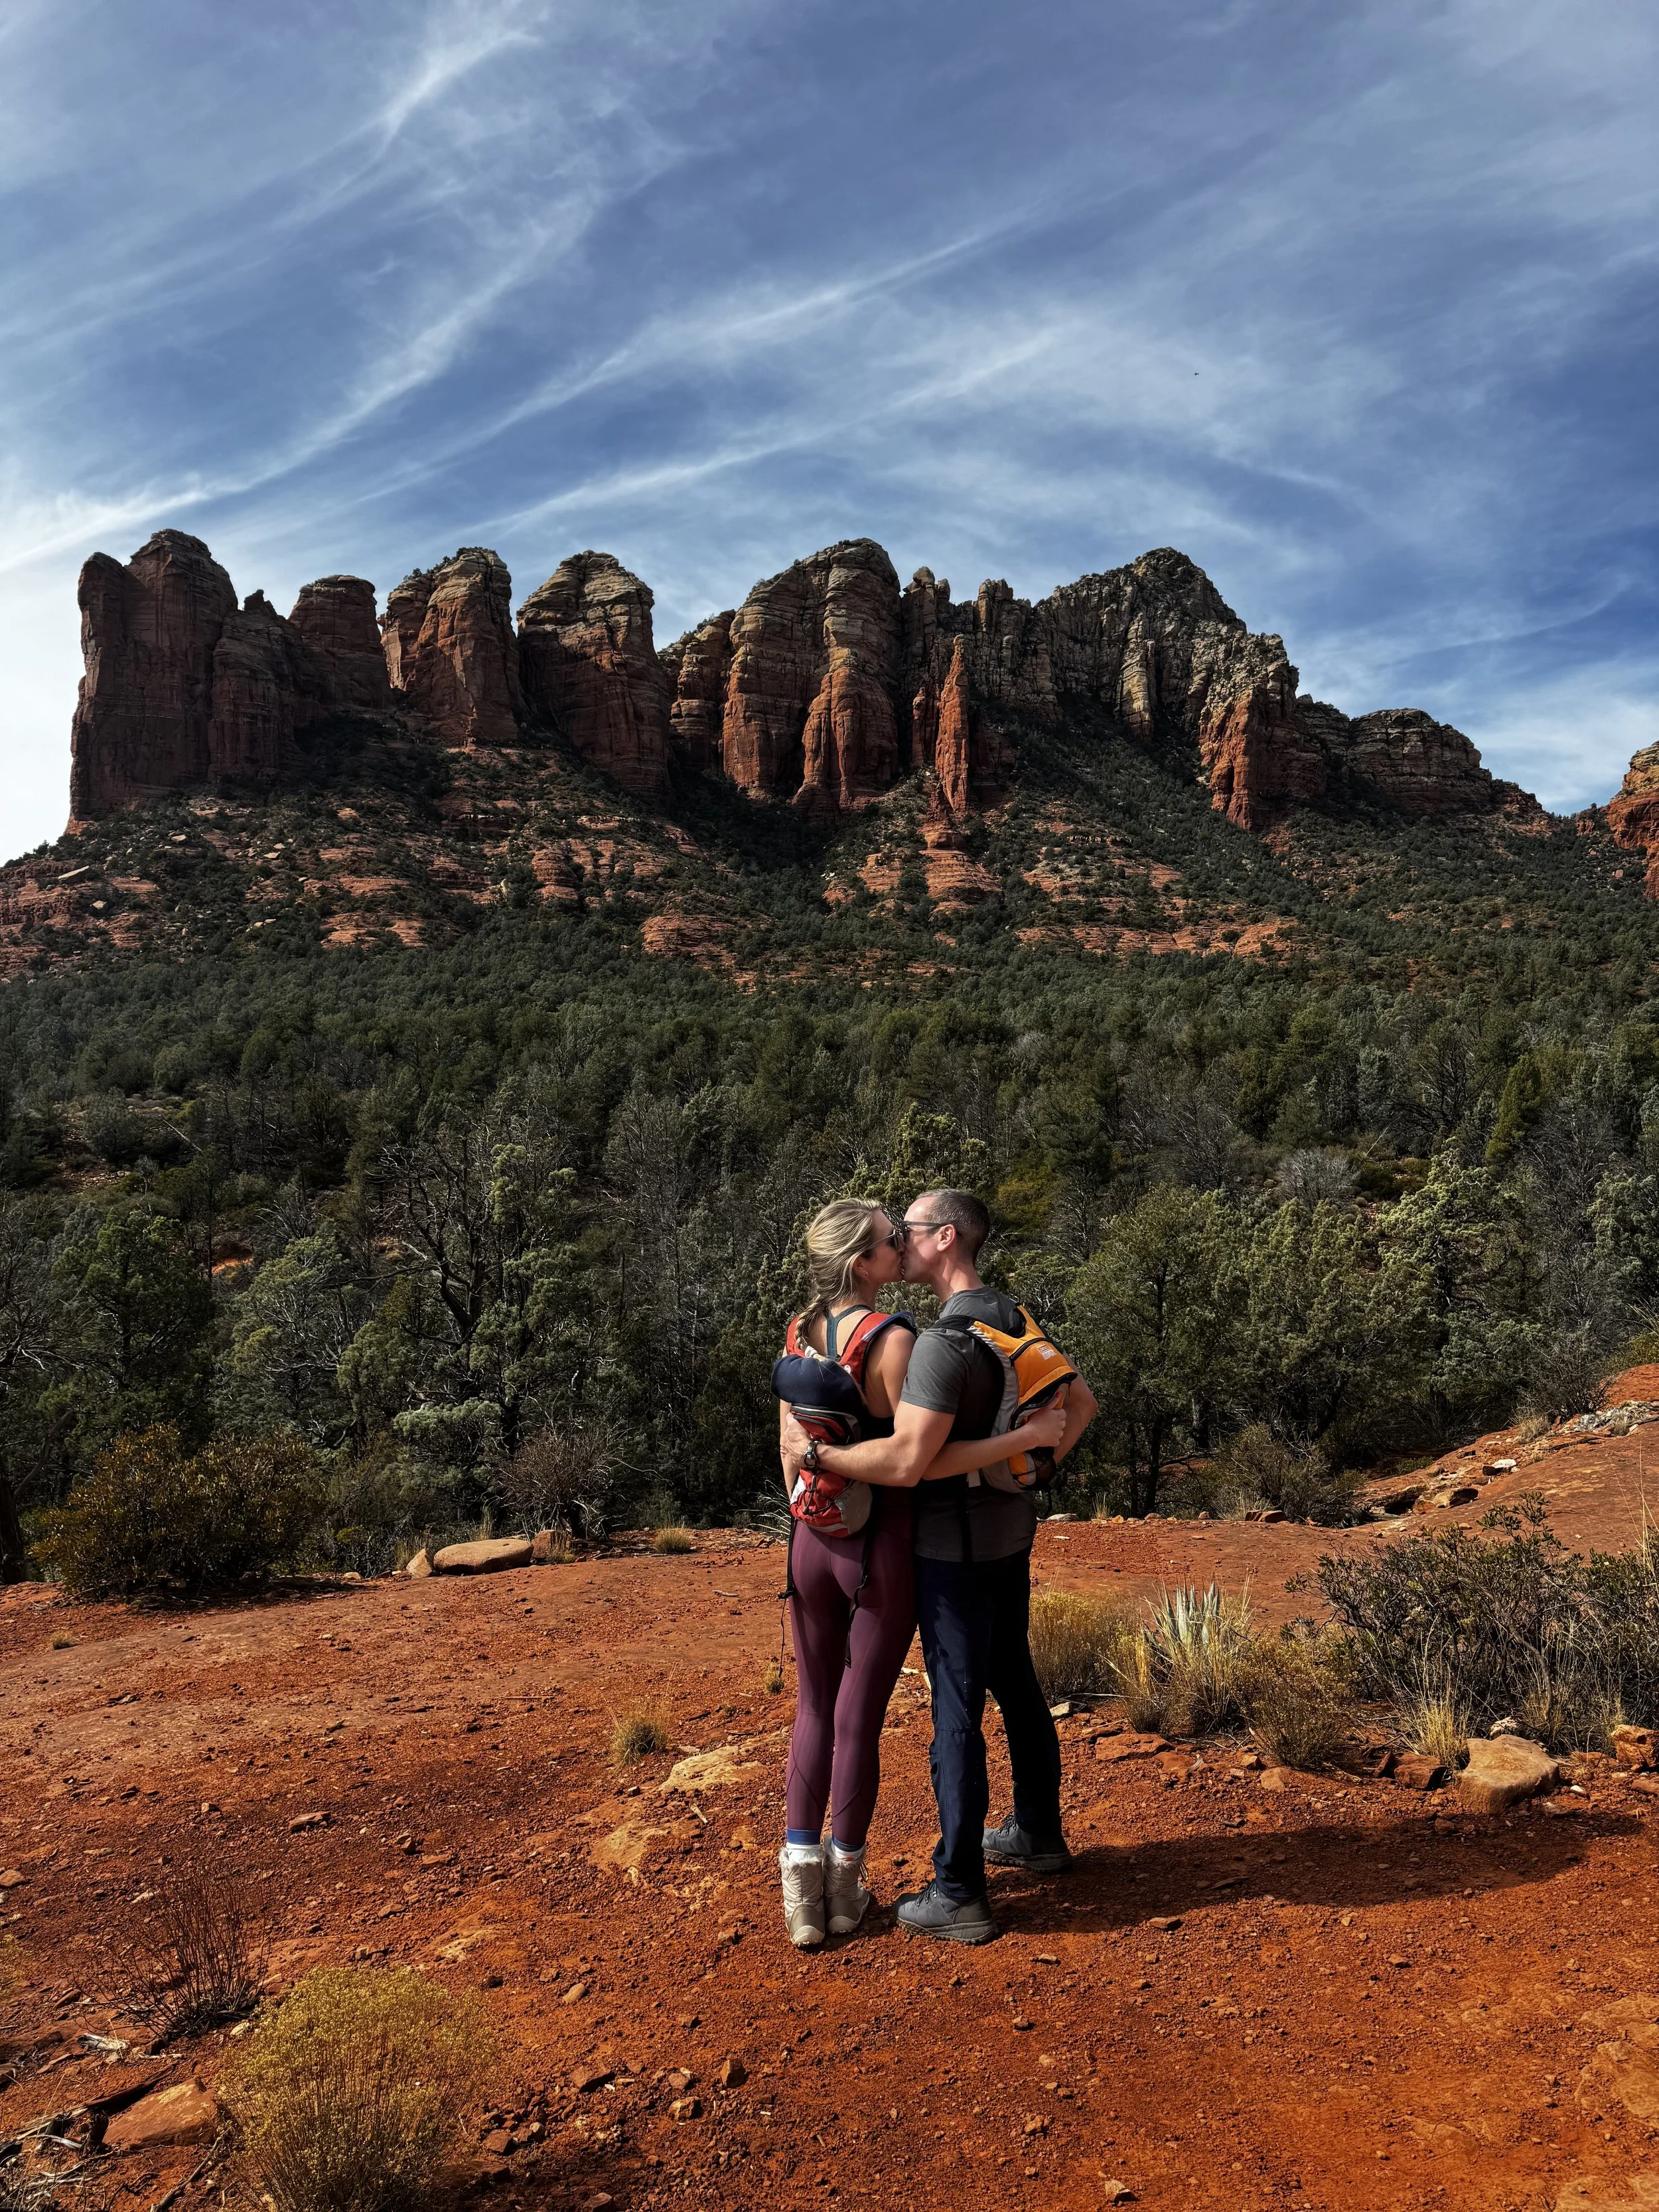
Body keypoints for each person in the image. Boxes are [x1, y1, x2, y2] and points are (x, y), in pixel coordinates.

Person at [782, 1189, 1097, 1945]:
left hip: (939, 1547)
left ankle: (959, 1889)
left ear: (943, 1239)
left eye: (910, 1231)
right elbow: (1078, 1404)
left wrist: (817, 1459)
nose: (903, 1243)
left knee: (955, 1707)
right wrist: (1035, 1468)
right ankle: (1038, 1834)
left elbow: (910, 1461)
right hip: (1006, 1534)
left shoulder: (936, 1341)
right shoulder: (1009, 1316)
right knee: (1014, 1680)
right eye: (891, 1236)